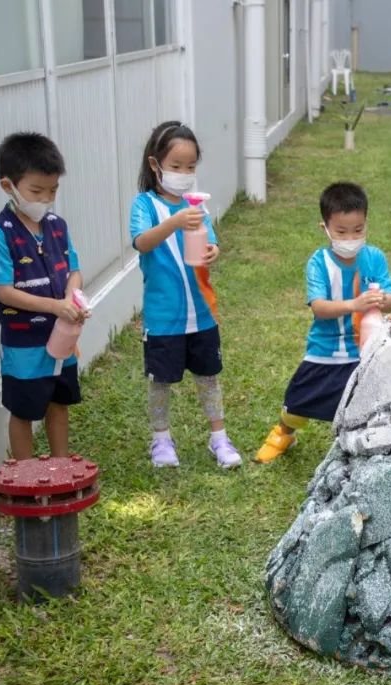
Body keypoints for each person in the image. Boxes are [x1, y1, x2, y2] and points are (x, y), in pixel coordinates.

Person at [255, 182, 391, 463]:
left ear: (366, 223)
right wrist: (353, 305)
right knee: (298, 400)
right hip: (325, 349)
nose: (351, 237)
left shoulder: (374, 257)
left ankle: (363, 445)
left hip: (365, 349)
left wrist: (383, 300)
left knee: (366, 402)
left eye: (358, 230)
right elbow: (319, 308)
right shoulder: (318, 262)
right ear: (326, 229)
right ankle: (283, 433)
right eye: (342, 232)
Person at [129, 121, 242, 469]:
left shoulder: (197, 206)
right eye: (176, 166)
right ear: (155, 165)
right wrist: (175, 222)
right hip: (164, 316)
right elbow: (141, 242)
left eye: (190, 166)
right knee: (161, 381)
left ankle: (218, 438)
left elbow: (210, 241)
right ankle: (161, 440)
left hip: (202, 313)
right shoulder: (144, 205)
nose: (184, 173)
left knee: (209, 377)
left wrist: (213, 252)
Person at [0, 132, 87, 459]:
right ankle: (26, 475)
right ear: (7, 186)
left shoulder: (57, 225)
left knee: (59, 402)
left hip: (62, 338)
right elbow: (5, 292)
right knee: (24, 410)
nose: (45, 199)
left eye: (52, 190)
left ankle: (60, 467)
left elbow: (74, 270)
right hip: (23, 344)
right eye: (36, 191)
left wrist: (72, 296)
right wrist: (55, 305)